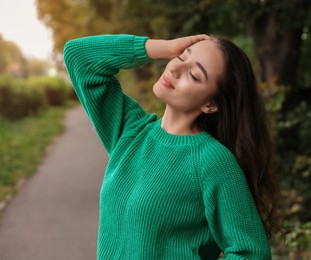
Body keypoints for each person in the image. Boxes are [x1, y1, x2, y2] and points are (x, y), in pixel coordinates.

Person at [64, 33, 281, 259]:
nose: (175, 69)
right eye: (181, 57)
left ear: (211, 104)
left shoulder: (212, 162)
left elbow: (252, 253)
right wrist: (163, 48)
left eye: (194, 75)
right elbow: (79, 56)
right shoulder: (131, 132)